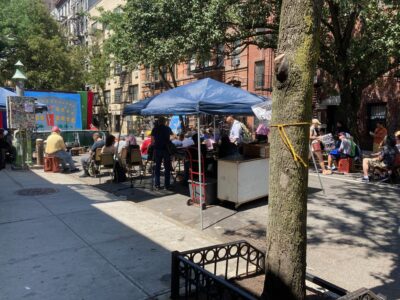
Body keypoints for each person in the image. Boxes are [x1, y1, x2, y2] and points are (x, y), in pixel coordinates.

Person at [151, 117, 173, 190]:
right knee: (167, 168)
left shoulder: (155, 129)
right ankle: (167, 185)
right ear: (164, 122)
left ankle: (157, 185)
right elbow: (173, 137)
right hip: (166, 150)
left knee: (157, 167)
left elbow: (152, 141)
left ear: (159, 122)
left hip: (157, 149)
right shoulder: (167, 128)